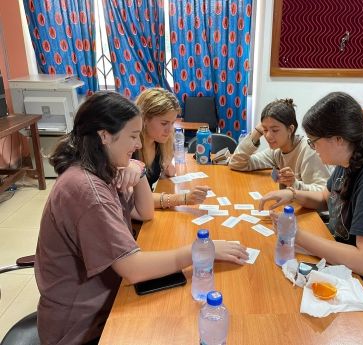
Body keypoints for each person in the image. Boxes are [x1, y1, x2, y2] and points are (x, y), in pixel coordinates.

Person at [34, 92, 249, 345]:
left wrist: (138, 170)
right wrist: (201, 252)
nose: (137, 145)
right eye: (133, 136)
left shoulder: (101, 169)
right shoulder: (87, 189)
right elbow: (133, 269)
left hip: (105, 298)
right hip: (83, 326)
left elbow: (144, 212)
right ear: (104, 136)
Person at [259, 92, 363, 328]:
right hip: (348, 271)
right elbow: (326, 197)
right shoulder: (348, 162)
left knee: (292, 319)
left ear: (338, 139)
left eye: (314, 141)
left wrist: (297, 234)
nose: (312, 147)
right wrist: (292, 193)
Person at [228, 98, 330, 191]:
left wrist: (295, 184)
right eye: (265, 129)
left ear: (290, 129)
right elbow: (237, 163)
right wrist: (256, 133)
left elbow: (324, 192)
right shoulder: (276, 151)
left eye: (275, 130)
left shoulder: (309, 149)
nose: (268, 135)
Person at [134, 87, 210, 208]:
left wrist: (167, 164)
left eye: (172, 123)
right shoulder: (131, 148)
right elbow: (135, 199)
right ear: (144, 119)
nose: (169, 130)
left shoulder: (159, 141)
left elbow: (170, 170)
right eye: (164, 123)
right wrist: (183, 198)